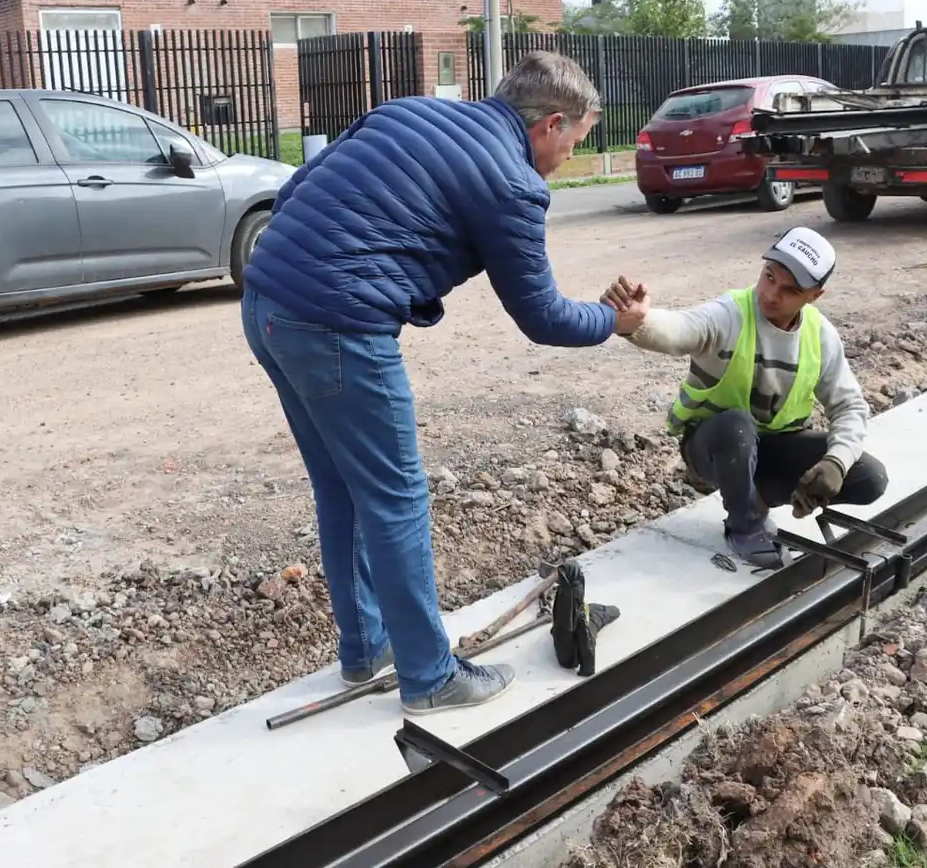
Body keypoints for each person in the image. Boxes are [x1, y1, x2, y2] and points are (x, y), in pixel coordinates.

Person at [239, 52, 648, 715]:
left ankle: (366, 648)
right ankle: (430, 678)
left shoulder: (409, 110)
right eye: (574, 142)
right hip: (338, 325)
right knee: (396, 497)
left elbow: (298, 191)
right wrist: (614, 319)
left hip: (266, 303)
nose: (569, 158)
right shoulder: (511, 183)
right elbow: (542, 317)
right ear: (549, 125)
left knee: (343, 488)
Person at [601, 227, 888, 570]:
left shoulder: (821, 335)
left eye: (790, 290)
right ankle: (745, 526)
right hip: (713, 446)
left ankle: (756, 495)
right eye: (769, 277)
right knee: (737, 427)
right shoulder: (732, 313)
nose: (770, 294)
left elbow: (849, 405)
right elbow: (681, 329)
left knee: (869, 477)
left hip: (773, 450)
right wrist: (636, 321)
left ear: (815, 295)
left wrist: (836, 463)